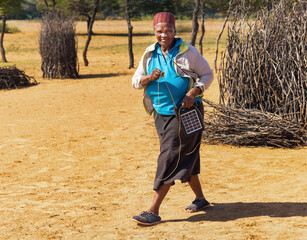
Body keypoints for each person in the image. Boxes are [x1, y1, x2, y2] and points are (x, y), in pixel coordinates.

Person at [131, 12, 214, 226]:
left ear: (175, 31)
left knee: (169, 156)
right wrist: (148, 78)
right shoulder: (150, 53)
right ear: (154, 32)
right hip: (161, 114)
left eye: (168, 30)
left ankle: (153, 210)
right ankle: (201, 199)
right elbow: (136, 81)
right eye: (159, 31)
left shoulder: (188, 52)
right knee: (185, 154)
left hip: (185, 115)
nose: (164, 35)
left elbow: (207, 75)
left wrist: (192, 93)